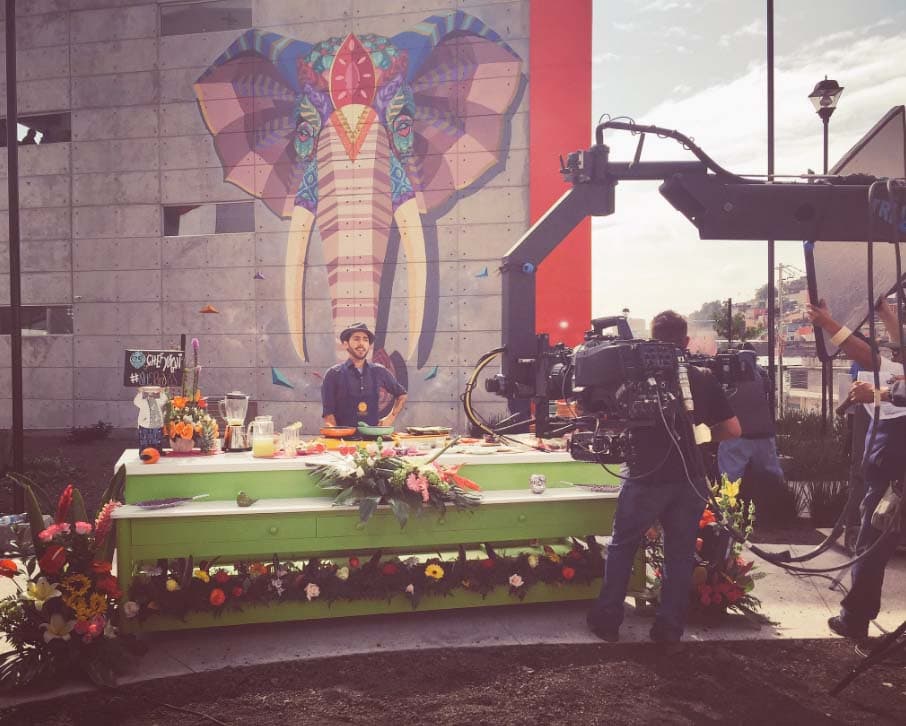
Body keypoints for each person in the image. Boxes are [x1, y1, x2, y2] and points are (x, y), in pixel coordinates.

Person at [586, 310, 741, 649]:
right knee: (681, 555)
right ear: (685, 342)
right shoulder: (702, 378)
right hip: (691, 480)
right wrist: (698, 437)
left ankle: (608, 621)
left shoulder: (631, 379)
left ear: (651, 341)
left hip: (645, 477)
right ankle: (669, 629)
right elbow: (732, 430)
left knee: (623, 547)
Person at [806, 298, 906, 640]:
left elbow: (864, 354)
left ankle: (854, 618)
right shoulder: (898, 369)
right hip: (891, 470)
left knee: (872, 543)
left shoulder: (894, 379)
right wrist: (884, 312)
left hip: (893, 474)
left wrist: (827, 324)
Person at [717, 342, 785, 510]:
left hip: (736, 434)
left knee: (730, 479)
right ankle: (780, 507)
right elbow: (769, 390)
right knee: (772, 473)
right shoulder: (761, 374)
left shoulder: (728, 375)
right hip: (764, 433)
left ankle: (727, 512)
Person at [321, 322, 407, 429]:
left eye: (365, 339)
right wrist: (338, 437)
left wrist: (391, 418)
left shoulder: (379, 371)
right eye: (356, 339)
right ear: (346, 344)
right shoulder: (333, 374)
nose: (361, 343)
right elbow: (328, 414)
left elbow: (402, 395)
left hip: (373, 440)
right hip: (344, 441)